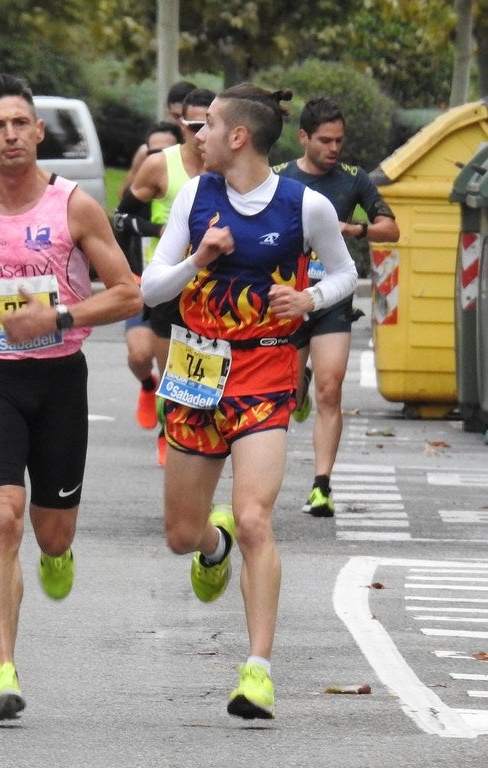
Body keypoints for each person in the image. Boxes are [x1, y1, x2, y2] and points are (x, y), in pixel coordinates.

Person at [0, 73, 142, 721]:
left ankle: (58, 555)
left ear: (38, 132)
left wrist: (58, 319)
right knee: (2, 517)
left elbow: (129, 293)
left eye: (21, 124)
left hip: (60, 379)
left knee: (53, 534)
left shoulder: (75, 207)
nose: (11, 135)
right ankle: (2, 670)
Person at [141, 84, 358, 719]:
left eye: (206, 126)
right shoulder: (194, 195)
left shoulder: (306, 207)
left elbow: (346, 272)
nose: (196, 136)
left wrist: (311, 301)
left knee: (258, 517)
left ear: (238, 137)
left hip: (264, 369)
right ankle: (214, 546)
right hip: (195, 369)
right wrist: (199, 259)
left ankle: (257, 670)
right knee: (181, 534)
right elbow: (152, 283)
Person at [273, 97, 399, 517]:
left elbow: (391, 228)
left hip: (332, 297)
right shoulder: (279, 179)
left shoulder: (352, 179)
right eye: (325, 140)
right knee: (287, 396)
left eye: (339, 141)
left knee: (332, 388)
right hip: (287, 301)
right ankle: (298, 384)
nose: (334, 149)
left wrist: (355, 228)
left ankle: (321, 486)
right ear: (303, 137)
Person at [115, 88, 215, 464]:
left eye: (210, 123)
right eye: (193, 124)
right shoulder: (160, 165)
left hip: (213, 286)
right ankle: (165, 422)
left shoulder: (230, 166)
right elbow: (121, 219)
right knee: (155, 362)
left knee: (199, 376)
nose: (201, 132)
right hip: (163, 282)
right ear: (180, 123)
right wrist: (156, 232)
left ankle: (191, 436)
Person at [116, 121, 182, 433]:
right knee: (139, 356)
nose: (159, 155)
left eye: (165, 149)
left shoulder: (183, 189)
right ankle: (146, 384)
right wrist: (157, 230)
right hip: (141, 283)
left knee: (171, 364)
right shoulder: (141, 191)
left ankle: (167, 431)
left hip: (177, 287)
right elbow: (118, 221)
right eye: (152, 150)